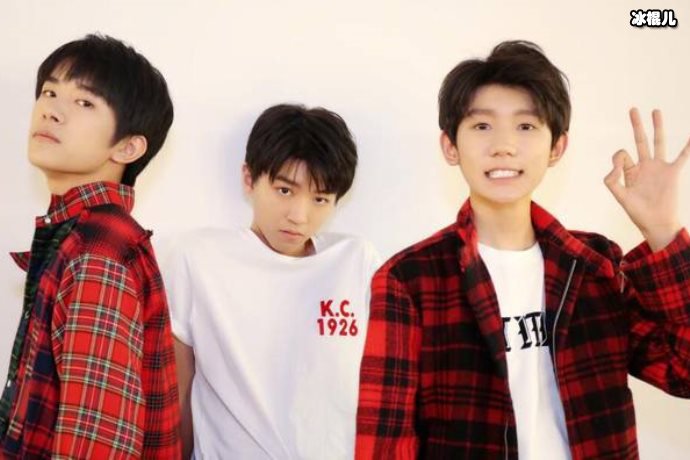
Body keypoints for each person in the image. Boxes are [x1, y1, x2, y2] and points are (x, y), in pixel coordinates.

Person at [356, 40, 690, 459]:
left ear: (557, 147)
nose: (504, 145)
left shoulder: (595, 266)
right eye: (482, 126)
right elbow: (384, 444)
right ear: (450, 146)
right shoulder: (409, 280)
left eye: (526, 126)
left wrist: (663, 232)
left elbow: (683, 372)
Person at [0, 34, 181, 458]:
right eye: (49, 92)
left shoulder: (97, 251)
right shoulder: (80, 234)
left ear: (128, 146)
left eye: (84, 102)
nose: (51, 110)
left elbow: (97, 441)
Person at [166, 104, 381, 459]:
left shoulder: (355, 261)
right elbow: (177, 394)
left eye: (320, 198)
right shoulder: (198, 257)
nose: (299, 216)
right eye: (284, 190)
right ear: (249, 179)